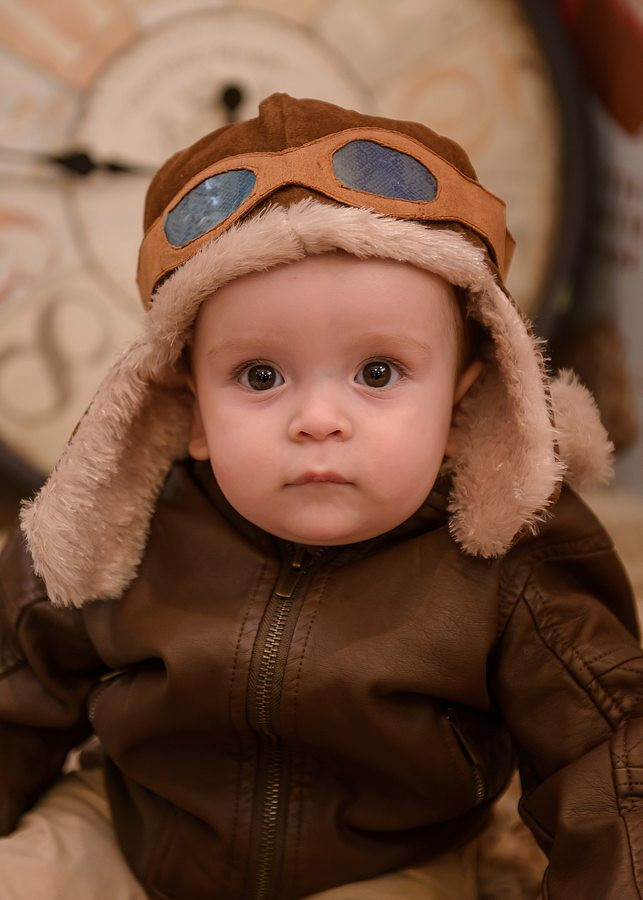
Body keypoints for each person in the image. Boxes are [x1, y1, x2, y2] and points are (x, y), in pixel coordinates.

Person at [0, 93, 641, 900]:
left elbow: (610, 762)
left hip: (387, 863)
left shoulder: (518, 557)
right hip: (135, 829)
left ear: (462, 404)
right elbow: (13, 688)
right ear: (189, 410)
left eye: (377, 372)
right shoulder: (119, 518)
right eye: (259, 375)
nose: (318, 419)